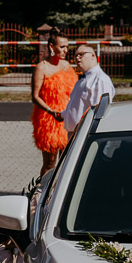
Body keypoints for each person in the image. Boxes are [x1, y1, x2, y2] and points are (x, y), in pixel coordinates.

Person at [30, 28, 76, 174]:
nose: (66, 50)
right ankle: (43, 187)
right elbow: (35, 97)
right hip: (49, 120)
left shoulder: (66, 65)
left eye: (67, 46)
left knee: (68, 161)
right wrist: (51, 111)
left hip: (67, 118)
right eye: (62, 47)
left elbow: (74, 91)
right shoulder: (41, 68)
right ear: (51, 47)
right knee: (50, 164)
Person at [62, 43, 116, 134]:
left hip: (86, 134)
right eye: (75, 56)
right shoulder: (83, 79)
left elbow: (99, 112)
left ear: (93, 56)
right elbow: (78, 106)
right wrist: (62, 114)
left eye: (81, 54)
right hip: (75, 133)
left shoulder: (100, 80)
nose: (77, 58)